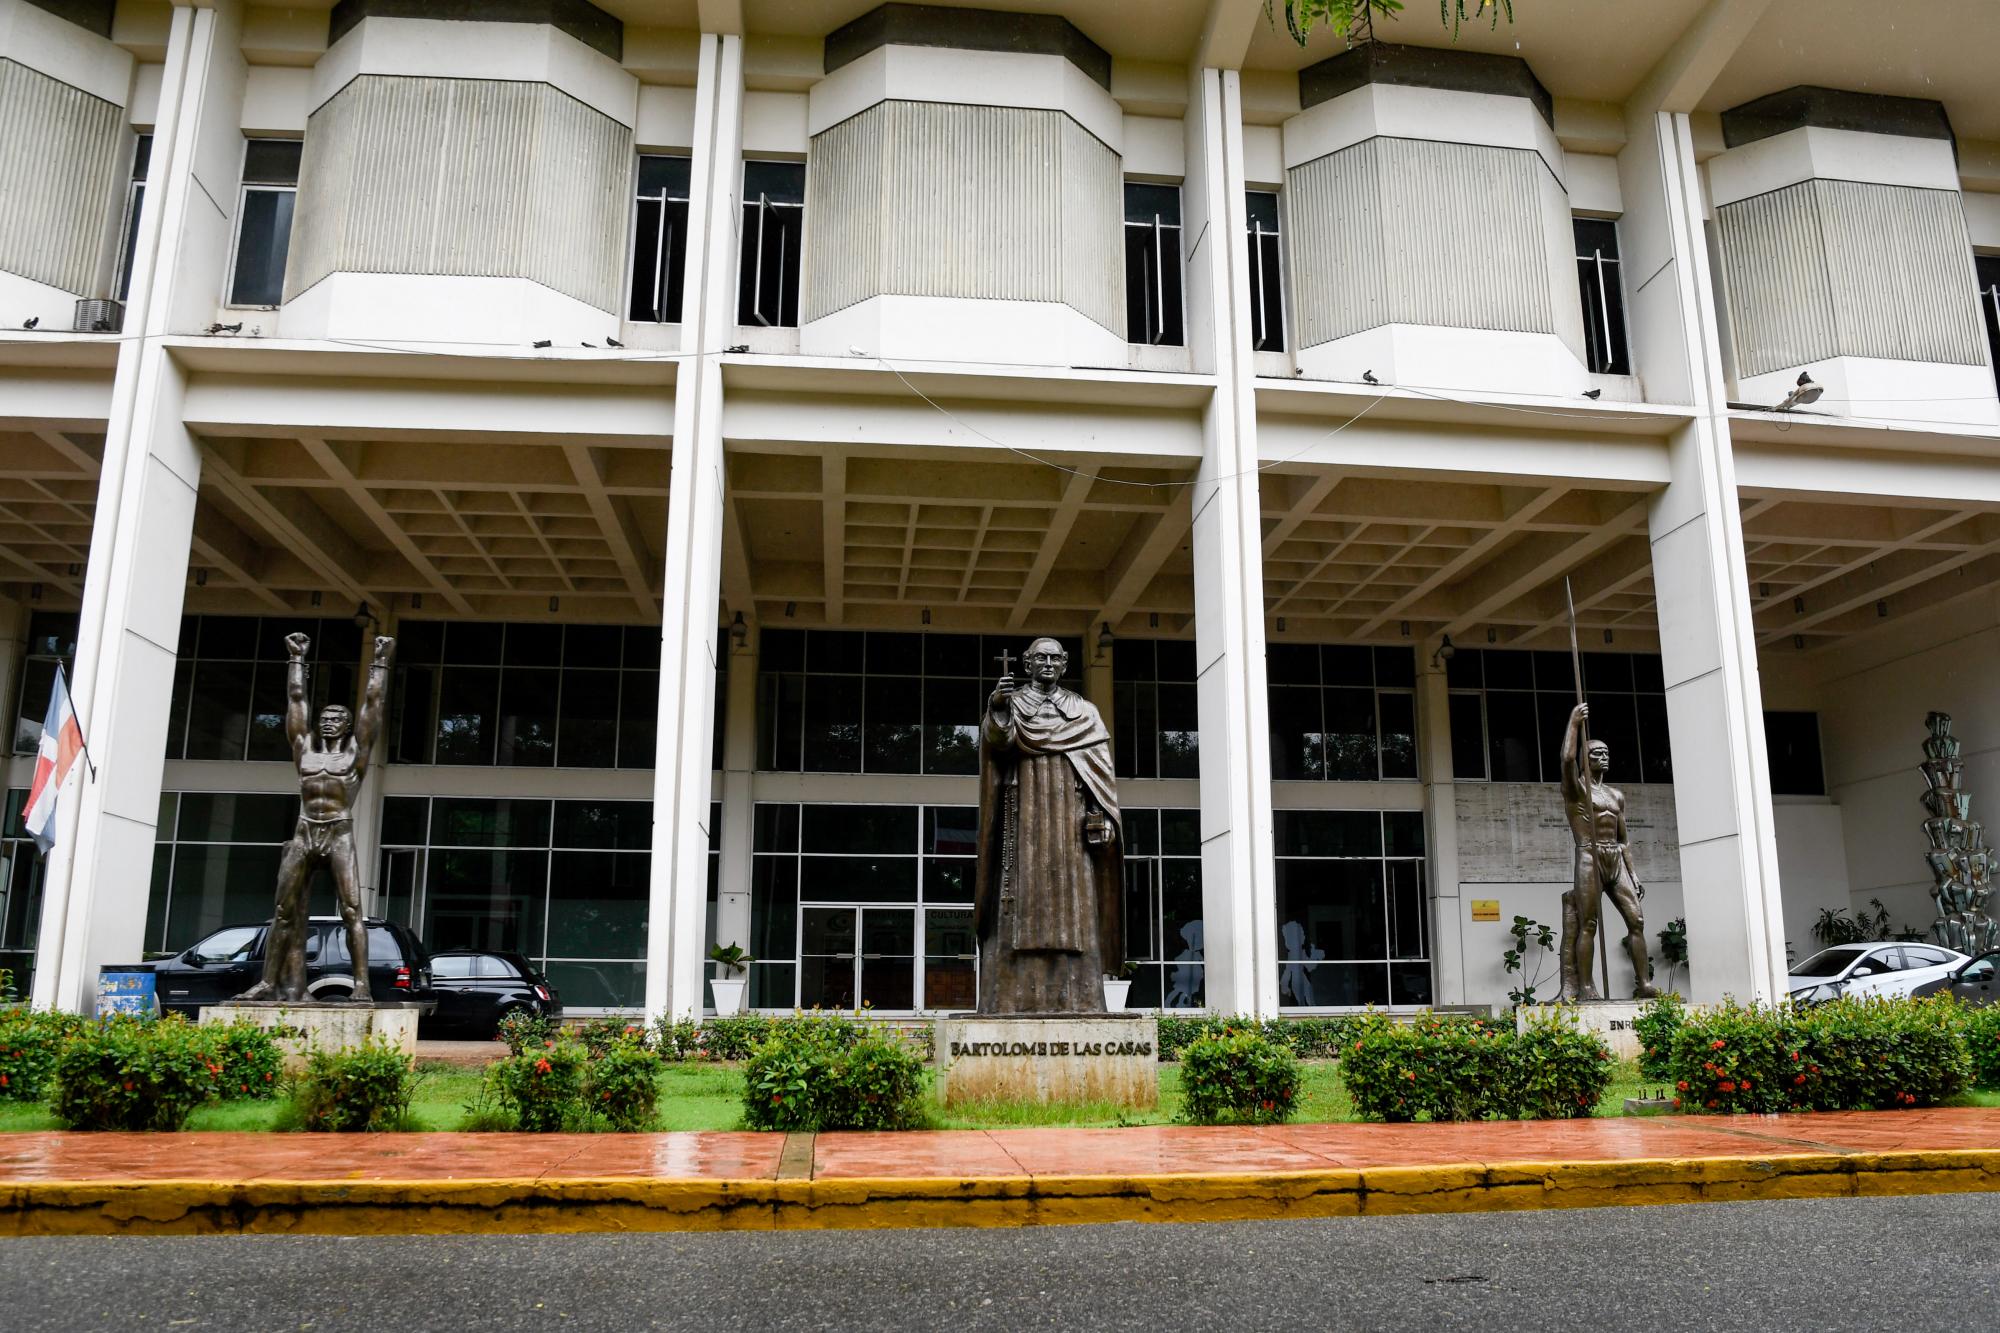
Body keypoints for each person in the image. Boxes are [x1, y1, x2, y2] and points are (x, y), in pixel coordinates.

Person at [237, 632, 395, 1003]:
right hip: (305, 831)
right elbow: (296, 699)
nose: (328, 722)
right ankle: (267, 982)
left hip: (339, 831)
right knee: (283, 910)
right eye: (325, 717)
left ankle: (361, 986)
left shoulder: (356, 753)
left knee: (353, 909)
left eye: (337, 718)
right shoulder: (304, 749)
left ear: (346, 726)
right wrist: (296, 658)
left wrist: (380, 661)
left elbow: (373, 703)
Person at [974, 637, 1122, 1013]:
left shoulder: (1084, 712)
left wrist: (1101, 814)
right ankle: (1008, 996)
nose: (1048, 663)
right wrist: (998, 706)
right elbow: (998, 741)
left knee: (1074, 899)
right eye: (1040, 657)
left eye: (1055, 658)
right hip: (1021, 814)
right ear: (1026, 663)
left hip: (1069, 822)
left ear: (1066, 663)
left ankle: (1080, 996)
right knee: (1018, 898)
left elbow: (1098, 775)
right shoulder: (1013, 704)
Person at [1560, 701, 1657, 1001]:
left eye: (1606, 753)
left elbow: (1624, 840)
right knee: (1588, 923)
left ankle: (1644, 984)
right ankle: (1587, 987)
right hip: (1589, 856)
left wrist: (1634, 874)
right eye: (1596, 754)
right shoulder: (1576, 789)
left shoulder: (1616, 796)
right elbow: (1566, 759)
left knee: (1636, 921)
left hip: (1614, 858)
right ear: (1585, 760)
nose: (1603, 757)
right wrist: (1574, 723)